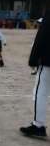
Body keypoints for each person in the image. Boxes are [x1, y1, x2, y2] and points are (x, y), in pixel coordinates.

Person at [20, 10, 50, 138]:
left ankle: (38, 125)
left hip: (48, 62)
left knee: (41, 92)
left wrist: (33, 58)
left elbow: (42, 36)